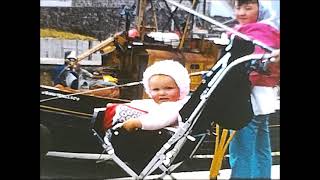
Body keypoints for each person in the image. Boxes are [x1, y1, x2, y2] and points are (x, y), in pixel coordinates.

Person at [228, 0, 280, 179]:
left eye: (248, 8)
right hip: (264, 97)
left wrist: (235, 90)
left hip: (249, 97)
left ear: (261, 10)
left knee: (241, 148)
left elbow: (254, 64)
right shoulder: (269, 30)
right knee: (260, 147)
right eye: (238, 7)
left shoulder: (259, 31)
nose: (241, 13)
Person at [104, 60, 191, 133]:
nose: (162, 93)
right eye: (156, 90)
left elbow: (160, 120)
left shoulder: (173, 106)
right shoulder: (167, 102)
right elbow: (144, 103)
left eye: (168, 88)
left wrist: (138, 122)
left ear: (181, 88)